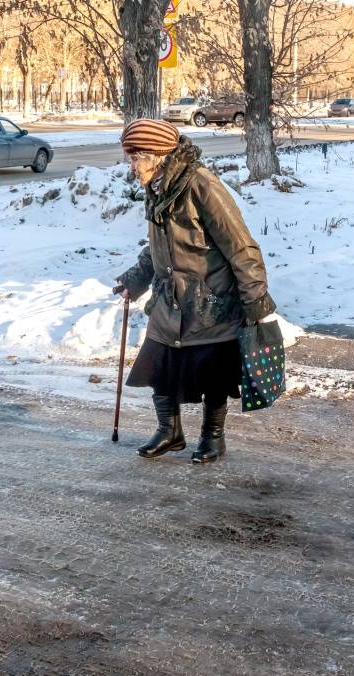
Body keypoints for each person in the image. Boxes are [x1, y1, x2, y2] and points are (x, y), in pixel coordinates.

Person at [114, 118, 276, 464]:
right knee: (159, 365)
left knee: (213, 373)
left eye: (135, 158)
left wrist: (255, 300)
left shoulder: (201, 185)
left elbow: (241, 246)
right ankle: (169, 431)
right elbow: (157, 246)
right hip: (170, 298)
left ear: (157, 155)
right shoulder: (158, 187)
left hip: (209, 300)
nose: (131, 167)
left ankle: (213, 438)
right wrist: (136, 279)